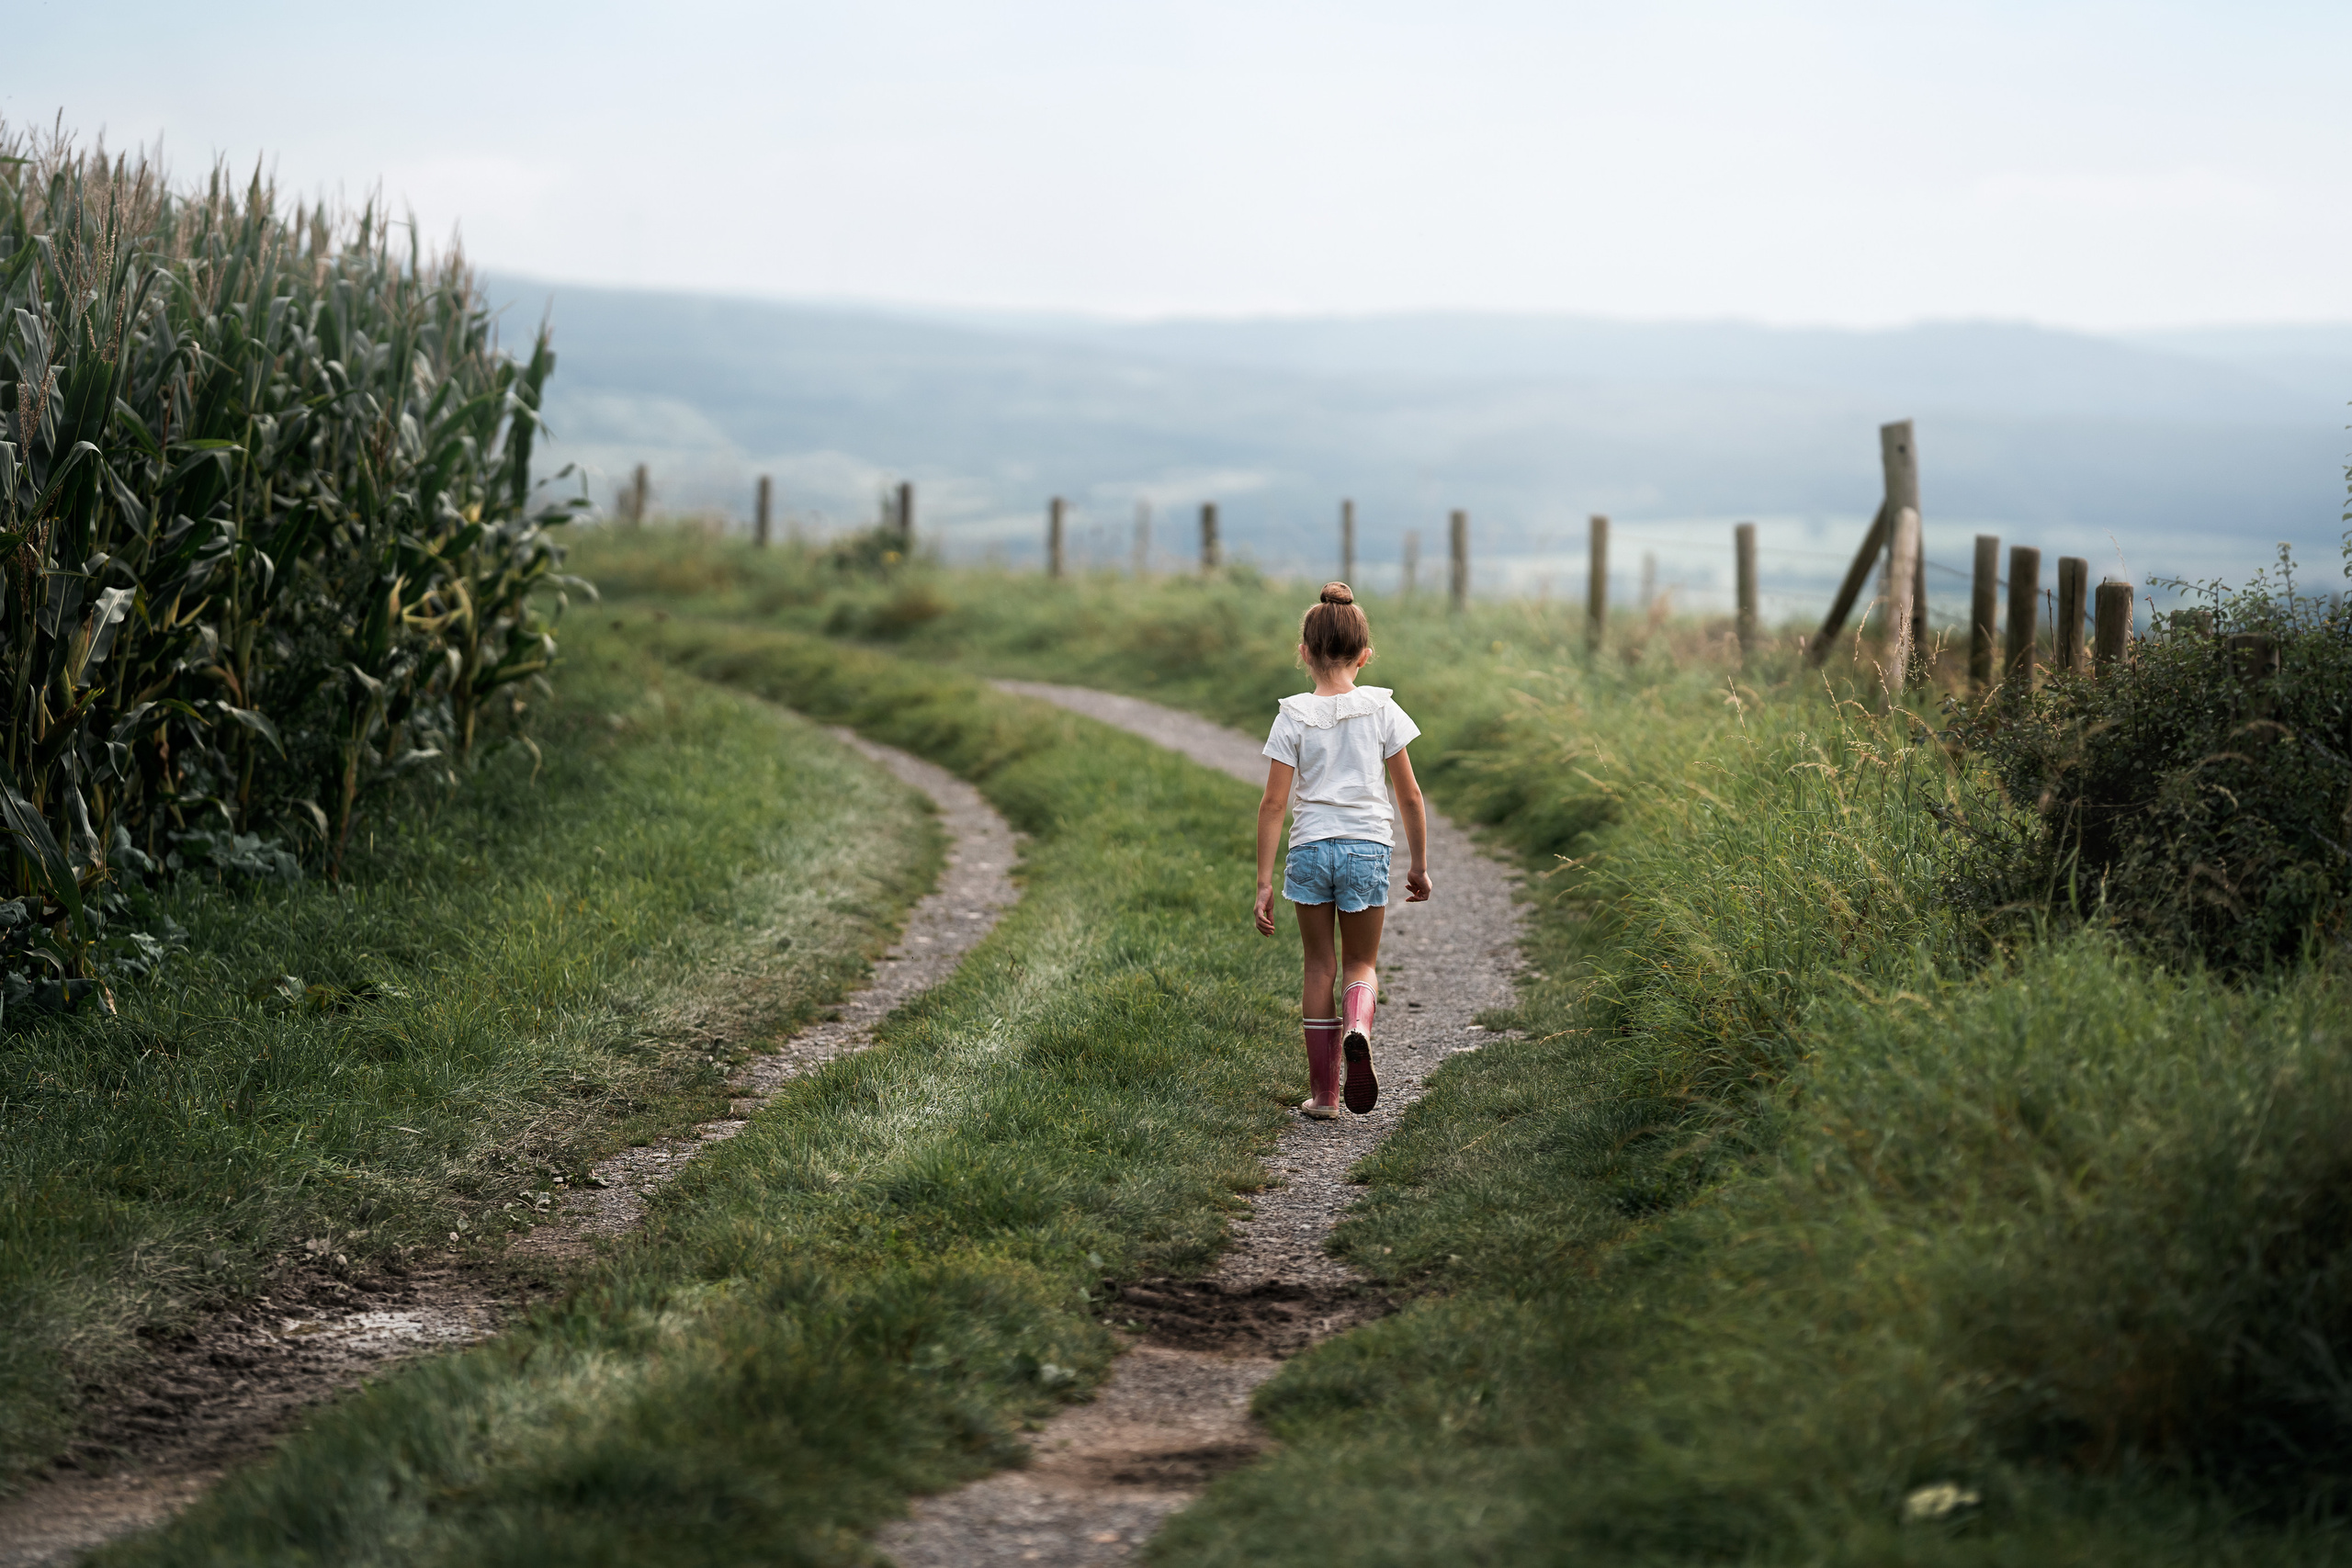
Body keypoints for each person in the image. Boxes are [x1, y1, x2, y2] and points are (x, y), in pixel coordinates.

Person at [1253, 582, 1432, 1119]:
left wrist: (1264, 880)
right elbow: (1410, 795)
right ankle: (1359, 1024)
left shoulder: (1293, 715)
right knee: (1361, 962)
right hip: (1366, 849)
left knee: (1318, 968)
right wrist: (1419, 865)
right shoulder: (1383, 710)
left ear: (1304, 653)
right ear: (1364, 656)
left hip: (1310, 849)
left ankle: (1326, 1097)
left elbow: (1271, 804)